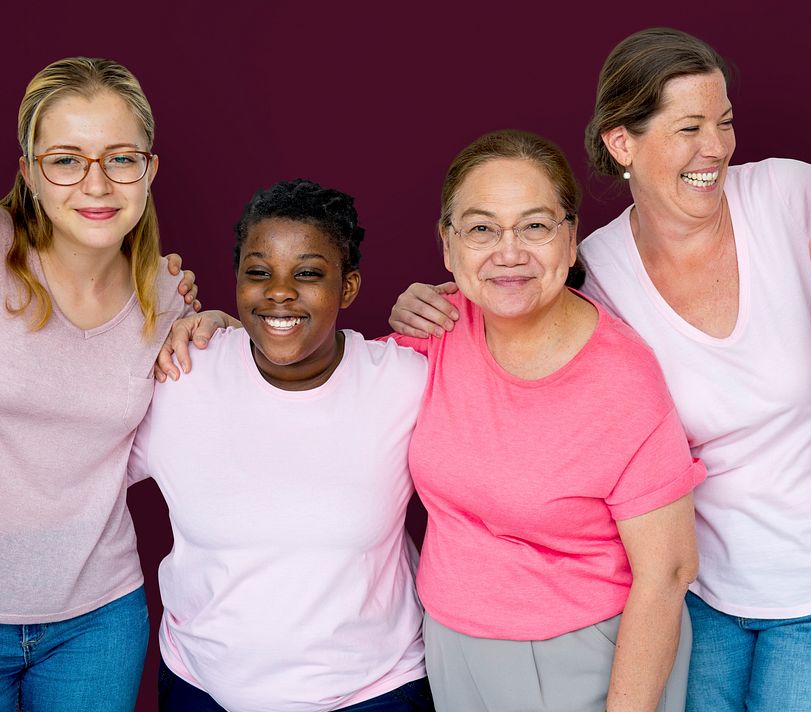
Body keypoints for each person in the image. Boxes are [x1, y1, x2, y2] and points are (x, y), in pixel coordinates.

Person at [386, 29, 811, 711]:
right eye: (689, 127)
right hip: (697, 596)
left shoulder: (790, 197)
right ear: (624, 144)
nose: (716, 147)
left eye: (724, 122)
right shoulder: (594, 271)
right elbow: (511, 294)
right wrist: (427, 303)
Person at [158, 130, 705, 712]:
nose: (509, 251)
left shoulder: (622, 377)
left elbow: (668, 571)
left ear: (571, 240)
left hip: (583, 657)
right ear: (448, 246)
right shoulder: (437, 339)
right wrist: (219, 329)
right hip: (451, 657)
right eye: (481, 228)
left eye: (536, 226)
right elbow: (315, 362)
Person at [128, 179, 433, 712]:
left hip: (372, 693)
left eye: (308, 273)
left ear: (350, 286)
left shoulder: (405, 382)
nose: (279, 292)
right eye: (259, 272)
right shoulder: (180, 374)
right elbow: (76, 468)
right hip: (203, 689)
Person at [0, 57, 198, 711]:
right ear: (28, 171)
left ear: (150, 170)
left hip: (99, 619)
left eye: (120, 158)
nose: (97, 183)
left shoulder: (170, 297)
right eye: (66, 160)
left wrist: (209, 323)